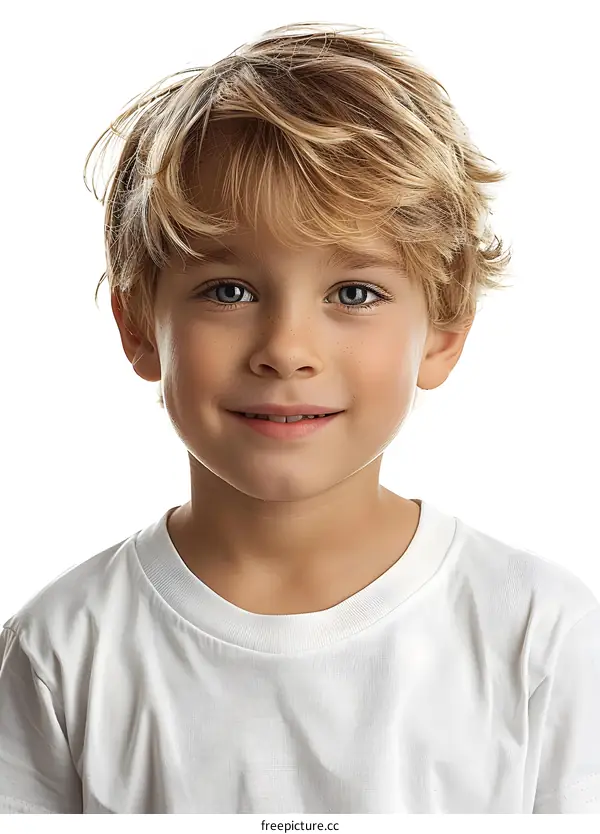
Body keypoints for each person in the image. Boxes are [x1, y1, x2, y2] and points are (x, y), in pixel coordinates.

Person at [1, 21, 599, 815]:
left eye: (353, 293)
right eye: (229, 291)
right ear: (140, 327)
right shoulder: (61, 654)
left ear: (445, 333)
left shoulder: (546, 639)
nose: (286, 350)